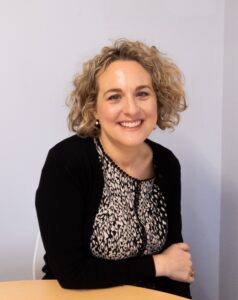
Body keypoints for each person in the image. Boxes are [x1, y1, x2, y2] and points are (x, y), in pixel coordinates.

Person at [35, 39, 194, 299]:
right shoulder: (67, 161)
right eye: (114, 96)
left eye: (142, 93)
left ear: (158, 100)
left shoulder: (166, 162)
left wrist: (174, 276)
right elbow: (71, 272)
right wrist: (159, 265)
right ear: (93, 108)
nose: (131, 109)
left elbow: (177, 263)